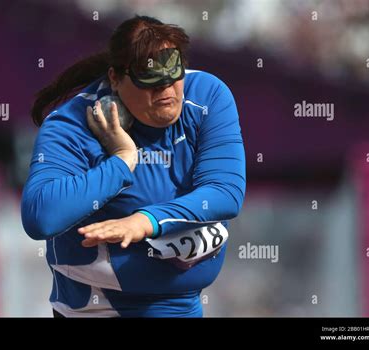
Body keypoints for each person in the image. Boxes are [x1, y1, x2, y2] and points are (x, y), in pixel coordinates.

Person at [21, 15, 246, 317]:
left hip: (181, 304)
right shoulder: (75, 123)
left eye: (173, 77)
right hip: (96, 308)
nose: (167, 91)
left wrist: (144, 222)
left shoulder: (207, 98)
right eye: (151, 82)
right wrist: (121, 162)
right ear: (115, 79)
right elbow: (41, 216)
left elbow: (225, 191)